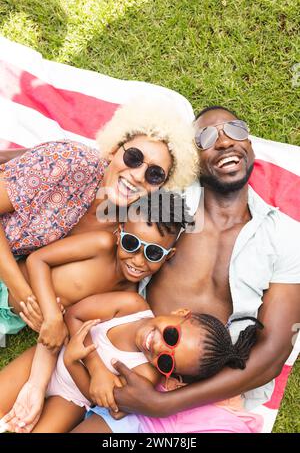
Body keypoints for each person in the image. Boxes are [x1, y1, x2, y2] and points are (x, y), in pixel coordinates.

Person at [98, 106, 300, 432]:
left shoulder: (287, 237)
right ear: (193, 157)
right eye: (206, 137)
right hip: (136, 364)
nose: (223, 143)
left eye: (234, 130)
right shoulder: (168, 204)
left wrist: (165, 404)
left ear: (249, 144)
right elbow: (104, 187)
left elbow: (274, 353)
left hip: (214, 400)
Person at [0, 96, 198, 338]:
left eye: (155, 174)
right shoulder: (71, 163)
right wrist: (24, 295)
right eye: (133, 158)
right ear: (114, 149)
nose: (137, 175)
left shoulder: (128, 229)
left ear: (162, 186)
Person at [0, 289, 263, 433]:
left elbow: (96, 395)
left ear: (171, 377)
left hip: (70, 399)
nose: (158, 346)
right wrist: (94, 365)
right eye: (172, 335)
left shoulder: (145, 377)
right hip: (47, 356)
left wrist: (74, 364)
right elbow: (74, 316)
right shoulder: (129, 306)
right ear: (181, 313)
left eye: (167, 362)